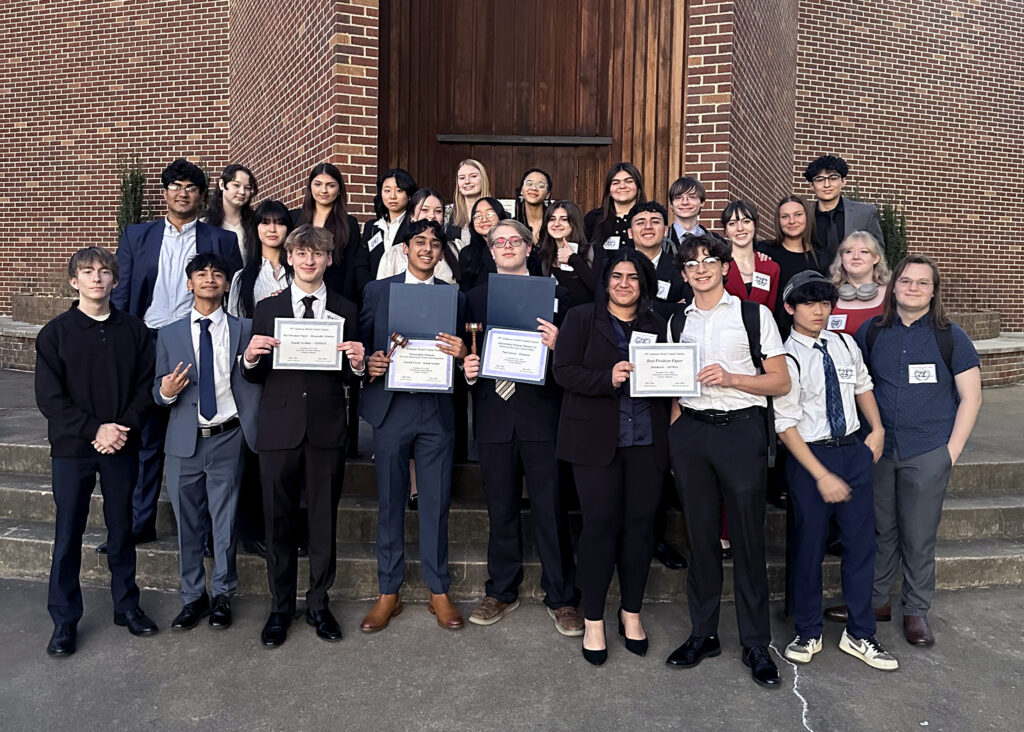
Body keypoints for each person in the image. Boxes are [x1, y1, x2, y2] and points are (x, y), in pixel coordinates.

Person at [826, 255, 982, 647]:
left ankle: (915, 610)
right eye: (906, 281)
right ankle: (875, 602)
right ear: (893, 286)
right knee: (879, 531)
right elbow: (855, 384)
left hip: (929, 450)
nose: (913, 288)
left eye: (922, 283)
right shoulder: (873, 332)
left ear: (934, 290)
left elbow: (971, 397)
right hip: (879, 450)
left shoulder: (952, 336)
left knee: (919, 535)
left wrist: (951, 452)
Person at [664, 234, 790, 688]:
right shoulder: (677, 319)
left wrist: (733, 377)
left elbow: (780, 382)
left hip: (741, 431)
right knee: (700, 539)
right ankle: (703, 633)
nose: (700, 269)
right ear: (683, 274)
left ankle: (756, 642)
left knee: (748, 540)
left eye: (708, 261)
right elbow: (673, 383)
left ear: (723, 267)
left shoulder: (753, 315)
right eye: (691, 264)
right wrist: (677, 434)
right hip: (692, 431)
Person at [110, 158, 242, 553]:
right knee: (147, 434)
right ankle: (141, 521)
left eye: (191, 188)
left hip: (198, 340)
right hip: (150, 341)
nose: (182, 193)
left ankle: (204, 535)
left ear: (202, 197)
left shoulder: (221, 240)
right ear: (165, 192)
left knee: (200, 431)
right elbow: (124, 291)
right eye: (175, 186)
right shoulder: (138, 236)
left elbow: (230, 295)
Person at [242, 224, 365, 648]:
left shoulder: (347, 309)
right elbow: (253, 374)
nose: (309, 261)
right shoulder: (267, 308)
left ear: (329, 260)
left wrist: (359, 362)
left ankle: (318, 603)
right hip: (278, 427)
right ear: (289, 258)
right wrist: (249, 356)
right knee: (278, 521)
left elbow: (351, 375)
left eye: (318, 254)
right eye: (301, 254)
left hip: (327, 428)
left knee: (322, 520)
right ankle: (280, 608)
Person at [460, 219, 583, 636]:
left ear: (530, 248)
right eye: (499, 242)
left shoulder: (558, 296)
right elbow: (464, 351)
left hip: (542, 414)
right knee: (501, 507)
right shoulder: (473, 299)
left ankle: (562, 597)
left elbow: (576, 360)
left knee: (550, 507)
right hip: (495, 414)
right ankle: (501, 590)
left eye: (515, 240)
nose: (507, 246)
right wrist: (469, 370)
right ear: (491, 251)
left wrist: (559, 344)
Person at [35, 247, 159, 655]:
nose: (96, 278)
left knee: (122, 529)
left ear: (115, 281)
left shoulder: (135, 330)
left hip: (121, 444)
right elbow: (50, 399)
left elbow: (146, 389)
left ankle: (127, 606)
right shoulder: (55, 333)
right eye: (87, 272)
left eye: (104, 272)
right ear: (74, 282)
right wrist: (95, 429)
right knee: (68, 533)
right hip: (73, 448)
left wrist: (119, 429)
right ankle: (64, 621)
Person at [774, 271, 898, 671]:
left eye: (825, 303)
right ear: (791, 307)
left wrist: (876, 430)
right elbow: (784, 423)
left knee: (862, 546)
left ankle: (861, 633)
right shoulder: (785, 357)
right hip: (810, 457)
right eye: (809, 303)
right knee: (809, 547)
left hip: (853, 452)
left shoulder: (844, 343)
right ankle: (808, 629)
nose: (819, 311)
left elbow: (862, 385)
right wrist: (820, 474)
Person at [554, 249, 670, 665]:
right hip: (594, 442)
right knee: (600, 527)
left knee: (640, 529)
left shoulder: (659, 324)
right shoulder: (582, 318)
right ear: (605, 282)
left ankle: (631, 612)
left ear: (644, 284)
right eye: (617, 276)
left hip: (646, 441)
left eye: (633, 277)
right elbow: (562, 370)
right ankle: (594, 619)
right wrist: (607, 378)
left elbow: (670, 378)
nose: (624, 283)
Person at [358, 219, 469, 633]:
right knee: (390, 501)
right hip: (391, 408)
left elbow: (466, 354)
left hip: (435, 410)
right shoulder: (378, 290)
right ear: (405, 248)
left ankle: (438, 590)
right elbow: (366, 341)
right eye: (419, 242)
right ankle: (389, 591)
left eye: (434, 244)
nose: (426, 249)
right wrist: (369, 363)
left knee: (436, 502)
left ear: (441, 253)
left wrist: (461, 353)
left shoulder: (453, 296)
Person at [154, 253, 260, 631]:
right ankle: (191, 597)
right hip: (184, 442)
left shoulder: (245, 329)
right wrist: (165, 392)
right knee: (188, 524)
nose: (210, 279)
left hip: (227, 437)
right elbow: (156, 389)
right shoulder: (169, 333)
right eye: (202, 274)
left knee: (225, 523)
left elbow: (256, 377)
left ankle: (222, 594)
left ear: (227, 284)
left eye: (218, 274)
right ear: (189, 283)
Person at [291, 162, 362, 303]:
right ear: (310, 187)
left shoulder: (349, 223)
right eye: (318, 184)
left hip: (336, 293)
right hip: (297, 294)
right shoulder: (294, 218)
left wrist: (344, 302)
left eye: (331, 185)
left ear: (339, 189)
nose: (324, 190)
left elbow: (350, 266)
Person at [756, 196, 823, 341]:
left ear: (808, 216)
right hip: (770, 334)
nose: (792, 221)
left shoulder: (823, 257)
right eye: (785, 217)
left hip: (809, 337)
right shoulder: (764, 251)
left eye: (798, 215)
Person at [803, 154, 884, 268]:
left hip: (855, 283)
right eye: (819, 180)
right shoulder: (803, 218)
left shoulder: (865, 214)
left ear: (843, 181)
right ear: (811, 185)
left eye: (833, 178)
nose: (827, 185)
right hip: (815, 282)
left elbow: (878, 253)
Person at [354, 167, 417, 294]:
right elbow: (361, 262)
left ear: (409, 195)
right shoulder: (372, 227)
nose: (392, 196)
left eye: (399, 191)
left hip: (405, 293)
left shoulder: (414, 227)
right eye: (387, 190)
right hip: (374, 293)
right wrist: (370, 289)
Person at [227, 200, 294, 319]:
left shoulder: (300, 272)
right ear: (256, 228)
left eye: (279, 223)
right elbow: (236, 324)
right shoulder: (241, 278)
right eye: (265, 223)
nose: (272, 229)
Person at [378, 187, 459, 285]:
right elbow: (383, 291)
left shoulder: (455, 249)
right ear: (411, 215)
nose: (431, 216)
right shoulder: (394, 254)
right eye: (424, 210)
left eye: (438, 211)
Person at [624, 200, 691, 318]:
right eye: (640, 223)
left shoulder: (681, 267)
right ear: (630, 233)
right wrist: (667, 307)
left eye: (655, 222)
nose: (648, 227)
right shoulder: (613, 265)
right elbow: (606, 306)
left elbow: (688, 308)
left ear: (665, 231)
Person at [535, 200, 596, 309]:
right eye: (552, 219)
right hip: (554, 323)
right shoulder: (543, 255)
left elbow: (599, 288)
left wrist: (574, 259)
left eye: (564, 219)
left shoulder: (592, 251)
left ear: (574, 222)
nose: (556, 224)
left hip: (584, 322)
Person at [826, 232, 890, 336]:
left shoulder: (891, 295)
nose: (856, 257)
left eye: (864, 252)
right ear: (842, 258)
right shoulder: (828, 294)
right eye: (849, 252)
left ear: (876, 258)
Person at [722, 200, 780, 312]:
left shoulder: (771, 268)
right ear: (726, 230)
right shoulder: (717, 266)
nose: (740, 228)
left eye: (746, 221)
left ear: (755, 225)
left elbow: (771, 310)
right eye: (732, 223)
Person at [583, 162, 646, 248]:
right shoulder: (593, 218)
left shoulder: (650, 218)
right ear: (608, 190)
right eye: (616, 183)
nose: (622, 186)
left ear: (639, 188)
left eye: (628, 181)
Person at [203, 164, 258, 259]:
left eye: (247, 188)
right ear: (221, 184)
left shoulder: (256, 223)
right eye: (236, 185)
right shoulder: (204, 224)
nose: (242, 192)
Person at [458, 196, 510, 293]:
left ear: (500, 216)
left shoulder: (513, 247)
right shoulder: (466, 254)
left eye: (490, 214)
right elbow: (465, 292)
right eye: (478, 216)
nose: (484, 219)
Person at [447, 159, 491, 247]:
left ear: (483, 180)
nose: (467, 181)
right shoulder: (450, 215)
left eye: (473, 176)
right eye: (462, 178)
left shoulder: (497, 213)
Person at [666, 176, 709, 249]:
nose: (685, 202)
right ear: (671, 205)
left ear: (702, 202)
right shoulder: (660, 240)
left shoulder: (716, 241)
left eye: (692, 197)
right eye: (678, 198)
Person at [513, 168, 552, 242]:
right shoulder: (512, 225)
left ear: (547, 195)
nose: (534, 188)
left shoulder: (555, 224)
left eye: (541, 186)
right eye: (529, 184)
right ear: (521, 190)